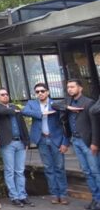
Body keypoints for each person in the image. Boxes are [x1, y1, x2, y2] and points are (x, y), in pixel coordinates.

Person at [53, 79, 100, 210]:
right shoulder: (67, 101)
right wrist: (68, 107)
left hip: (88, 142)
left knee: (96, 171)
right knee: (87, 172)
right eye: (68, 87)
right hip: (75, 141)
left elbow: (95, 125)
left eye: (72, 87)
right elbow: (54, 105)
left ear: (80, 88)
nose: (70, 89)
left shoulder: (89, 103)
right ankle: (95, 199)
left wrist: (95, 143)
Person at [21, 83, 69, 205]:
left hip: (56, 140)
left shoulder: (55, 104)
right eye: (37, 92)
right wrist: (42, 113)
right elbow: (24, 111)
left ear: (47, 92)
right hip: (41, 139)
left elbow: (65, 124)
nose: (40, 93)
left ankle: (63, 194)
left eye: (42, 91)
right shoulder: (32, 104)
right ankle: (54, 194)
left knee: (59, 167)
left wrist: (65, 142)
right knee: (48, 168)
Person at [0, 87, 32, 208]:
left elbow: (23, 125)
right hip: (7, 143)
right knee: (10, 171)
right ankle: (14, 197)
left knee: (20, 171)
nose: (5, 96)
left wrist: (27, 141)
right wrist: (13, 110)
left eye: (6, 94)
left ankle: (22, 195)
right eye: (2, 94)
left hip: (20, 142)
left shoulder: (15, 107)